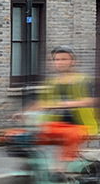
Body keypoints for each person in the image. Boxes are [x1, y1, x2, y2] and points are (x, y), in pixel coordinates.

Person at [35, 45, 97, 175]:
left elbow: (88, 101)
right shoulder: (51, 82)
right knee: (32, 135)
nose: (60, 62)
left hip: (80, 125)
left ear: (73, 61)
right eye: (57, 60)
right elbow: (42, 102)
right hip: (58, 124)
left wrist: (66, 104)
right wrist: (24, 113)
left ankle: (62, 169)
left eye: (64, 59)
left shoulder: (82, 80)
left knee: (71, 135)